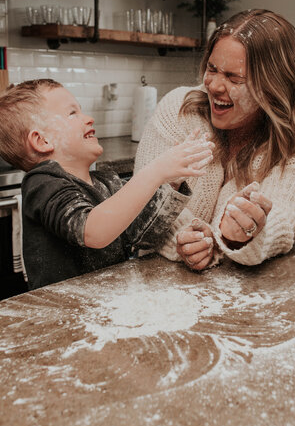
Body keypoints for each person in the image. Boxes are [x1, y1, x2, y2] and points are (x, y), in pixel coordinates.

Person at [134, 9, 295, 270]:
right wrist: (189, 239)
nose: (214, 86)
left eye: (234, 78)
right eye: (212, 69)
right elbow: (143, 196)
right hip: (153, 279)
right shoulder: (178, 108)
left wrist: (244, 236)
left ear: (273, 86)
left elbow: (287, 217)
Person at [0, 79, 214, 290]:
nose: (89, 118)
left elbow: (145, 235)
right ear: (42, 141)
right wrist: (156, 170)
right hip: (61, 315)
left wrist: (171, 183)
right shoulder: (43, 184)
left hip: (106, 305)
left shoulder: (106, 182)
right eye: (73, 113)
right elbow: (92, 231)